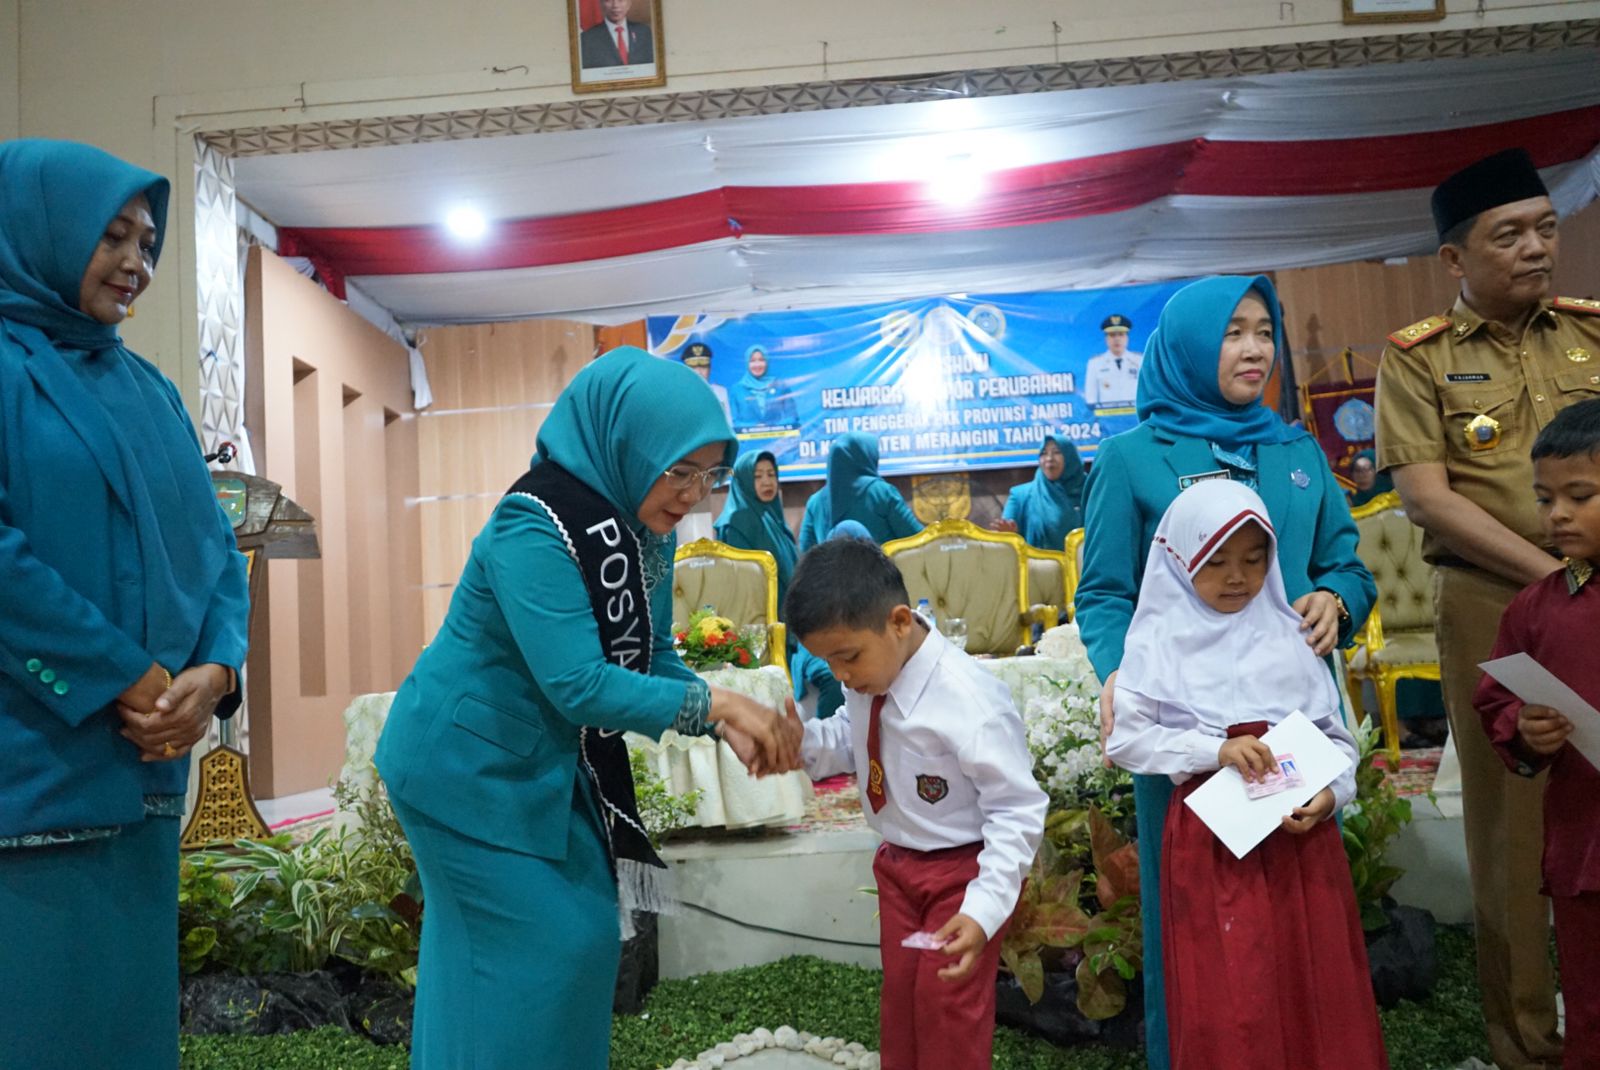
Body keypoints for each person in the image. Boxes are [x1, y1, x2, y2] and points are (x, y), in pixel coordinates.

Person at [374, 348, 801, 1069]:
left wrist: (724, 720)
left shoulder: (640, 534)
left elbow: (648, 655)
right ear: (628, 446)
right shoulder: (532, 524)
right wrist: (718, 701)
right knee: (550, 945)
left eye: (707, 474)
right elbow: (579, 684)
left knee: (549, 945)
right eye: (680, 470)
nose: (694, 494)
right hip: (461, 767)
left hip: (534, 764)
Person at [1077, 274, 1374, 1070]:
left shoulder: (1296, 448)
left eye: (1264, 332)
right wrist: (1117, 673)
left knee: (1300, 906)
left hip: (1293, 713)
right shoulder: (1133, 458)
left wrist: (1338, 602)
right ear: (1187, 346)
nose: (1254, 349)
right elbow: (1104, 591)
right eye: (1233, 332)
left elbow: (1346, 564)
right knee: (1196, 919)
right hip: (1186, 727)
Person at [0, 139, 250, 1069]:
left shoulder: (150, 390)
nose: (136, 265)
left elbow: (215, 550)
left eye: (147, 242)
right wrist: (123, 676)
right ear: (43, 232)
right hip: (30, 788)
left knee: (127, 1035)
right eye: (112, 237)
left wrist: (215, 673)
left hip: (144, 777)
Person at [1375, 146, 1600, 1070]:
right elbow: (1428, 499)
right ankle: (1527, 1045)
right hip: (1493, 602)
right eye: (1509, 236)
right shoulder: (1419, 360)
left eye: (1546, 230)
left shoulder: (1592, 331)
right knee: (1515, 827)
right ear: (1456, 259)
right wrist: (1553, 572)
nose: (1536, 250)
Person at [1106, 480, 1387, 1070]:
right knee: (1229, 989)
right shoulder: (1156, 642)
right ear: (1180, 560)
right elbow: (1128, 739)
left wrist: (1328, 798)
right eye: (1217, 562)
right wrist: (1216, 750)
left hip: (1299, 847)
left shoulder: (1291, 637)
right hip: (1211, 845)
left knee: (1308, 976)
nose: (1237, 577)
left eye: (1254, 561)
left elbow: (1336, 740)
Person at [787, 537, 1047, 1070]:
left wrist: (982, 910)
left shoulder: (969, 700)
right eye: (826, 662)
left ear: (900, 621)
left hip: (962, 874)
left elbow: (1017, 810)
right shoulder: (870, 677)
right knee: (903, 1005)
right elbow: (848, 738)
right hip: (899, 871)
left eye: (847, 657)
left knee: (947, 1011)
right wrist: (798, 743)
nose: (840, 676)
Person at [1475, 398, 1600, 1069]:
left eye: (1580, 496)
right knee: (1590, 1007)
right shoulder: (1537, 608)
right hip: (1587, 852)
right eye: (1546, 498)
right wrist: (1524, 731)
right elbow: (1496, 703)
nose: (1556, 515)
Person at [797, 431, 921, 551]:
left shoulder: (815, 502)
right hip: (882, 571)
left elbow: (805, 552)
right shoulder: (882, 493)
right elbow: (918, 540)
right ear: (866, 456)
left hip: (830, 572)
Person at [714, 449, 798, 610]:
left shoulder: (772, 517)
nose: (767, 482)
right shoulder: (736, 522)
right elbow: (742, 583)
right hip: (759, 617)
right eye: (757, 476)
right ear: (744, 480)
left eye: (771, 474)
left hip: (787, 613)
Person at [991, 434, 1087, 549]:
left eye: (1056, 452)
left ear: (1070, 457)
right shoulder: (1020, 496)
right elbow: (1005, 540)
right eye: (1043, 453)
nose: (1049, 458)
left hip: (1084, 565)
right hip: (1037, 566)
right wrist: (1012, 535)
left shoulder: (1091, 491)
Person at [1082, 313, 1143, 408]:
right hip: (1107, 418)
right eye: (1112, 335)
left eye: (1121, 335)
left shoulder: (1139, 361)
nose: (1117, 339)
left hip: (1135, 416)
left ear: (1127, 338)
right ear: (1106, 339)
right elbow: (1090, 398)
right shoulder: (1095, 363)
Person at [732, 345, 798, 429]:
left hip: (778, 439)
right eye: (752, 361)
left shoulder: (780, 385)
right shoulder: (737, 389)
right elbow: (733, 421)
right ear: (747, 363)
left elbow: (792, 417)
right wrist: (754, 427)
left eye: (761, 360)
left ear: (767, 361)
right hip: (746, 440)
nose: (757, 365)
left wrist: (772, 427)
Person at [578, 0, 655, 68]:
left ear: (629, 4)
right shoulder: (587, 38)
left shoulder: (644, 32)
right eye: (609, 0)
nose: (615, 6)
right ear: (601, 4)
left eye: (621, 0)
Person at [682, 341, 731, 423]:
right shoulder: (679, 395)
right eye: (693, 367)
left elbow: (729, 424)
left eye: (703, 367)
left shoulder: (721, 393)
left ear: (710, 369)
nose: (699, 372)